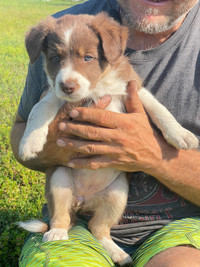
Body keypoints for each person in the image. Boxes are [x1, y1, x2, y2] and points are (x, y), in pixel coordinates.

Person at [11, 0, 200, 266]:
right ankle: (61, 223)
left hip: (176, 229)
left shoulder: (114, 59)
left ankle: (103, 235)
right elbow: (30, 128)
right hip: (72, 212)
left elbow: (140, 95)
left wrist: (158, 151)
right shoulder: (58, 25)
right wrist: (52, 141)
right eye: (56, 59)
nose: (68, 75)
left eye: (87, 57)